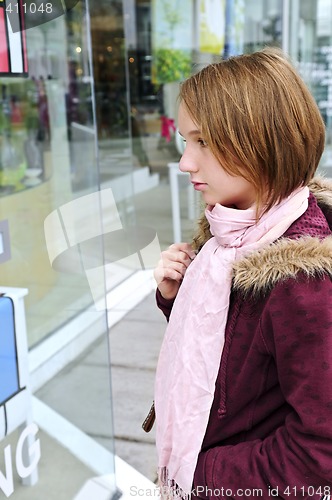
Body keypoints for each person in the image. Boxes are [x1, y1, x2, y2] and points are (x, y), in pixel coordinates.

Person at [151, 47, 332, 499]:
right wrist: (178, 299)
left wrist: (200, 471)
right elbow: (240, 365)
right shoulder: (230, 236)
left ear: (261, 140)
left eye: (204, 142)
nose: (185, 163)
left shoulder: (302, 283)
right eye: (186, 141)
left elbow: (320, 458)